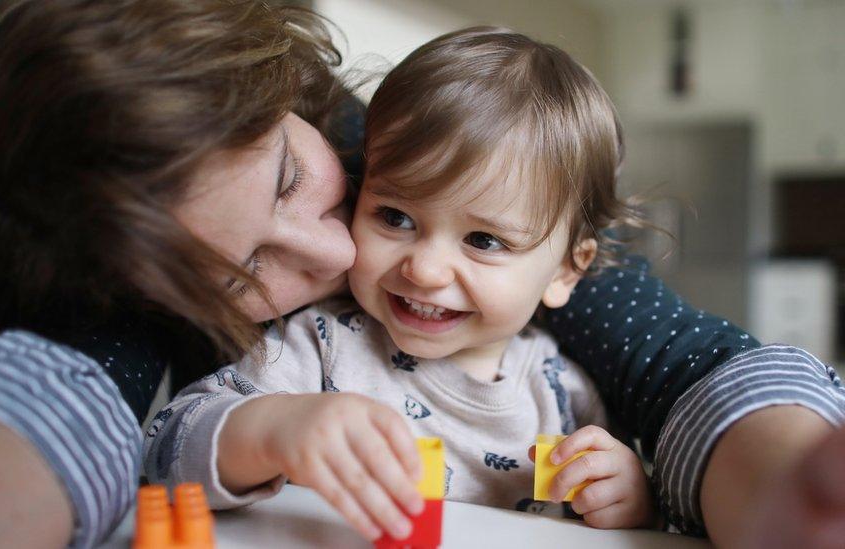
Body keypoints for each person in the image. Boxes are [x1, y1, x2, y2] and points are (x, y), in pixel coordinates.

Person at [0, 1, 841, 548]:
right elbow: (111, 409)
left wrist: (650, 490)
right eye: (242, 270)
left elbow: (671, 364)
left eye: (298, 177)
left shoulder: (541, 350)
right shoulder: (310, 350)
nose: (349, 260)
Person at [143, 27, 656, 542]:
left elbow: (609, 522)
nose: (424, 271)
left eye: (483, 239)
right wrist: (275, 429)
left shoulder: (563, 391)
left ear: (567, 271)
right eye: (395, 216)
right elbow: (166, 449)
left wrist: (629, 497)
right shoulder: (319, 348)